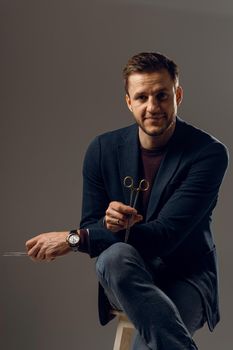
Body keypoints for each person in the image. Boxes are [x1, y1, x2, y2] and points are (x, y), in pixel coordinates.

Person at [26, 52, 229, 350]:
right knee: (113, 257)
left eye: (162, 95)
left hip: (186, 276)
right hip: (125, 275)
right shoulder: (102, 149)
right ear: (128, 102)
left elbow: (165, 236)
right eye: (142, 97)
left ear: (178, 95)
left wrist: (74, 239)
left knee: (150, 342)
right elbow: (92, 224)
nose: (152, 107)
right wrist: (104, 227)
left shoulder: (208, 154)